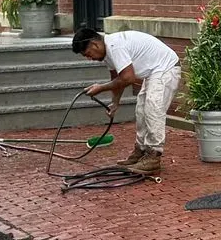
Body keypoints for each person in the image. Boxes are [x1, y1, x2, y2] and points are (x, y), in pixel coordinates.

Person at [71, 25, 181, 176]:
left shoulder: (115, 46)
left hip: (166, 68)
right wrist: (115, 103)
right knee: (141, 111)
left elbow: (128, 78)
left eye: (88, 54)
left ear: (94, 44)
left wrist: (100, 88)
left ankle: (154, 156)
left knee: (152, 109)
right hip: (154, 72)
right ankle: (140, 151)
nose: (90, 59)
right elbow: (117, 78)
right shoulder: (108, 52)